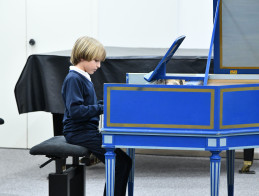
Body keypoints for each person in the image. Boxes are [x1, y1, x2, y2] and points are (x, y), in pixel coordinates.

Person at [62, 36, 132, 196]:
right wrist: (102, 107)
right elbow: (76, 111)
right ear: (82, 57)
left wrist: (107, 102)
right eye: (96, 61)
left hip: (86, 131)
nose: (99, 65)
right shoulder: (73, 79)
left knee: (124, 162)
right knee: (121, 163)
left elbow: (88, 104)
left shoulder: (82, 77)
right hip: (79, 133)